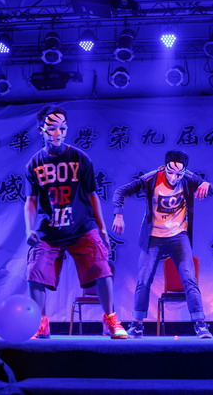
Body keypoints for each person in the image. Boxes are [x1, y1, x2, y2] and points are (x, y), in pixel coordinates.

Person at [24, 105, 127, 339]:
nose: (57, 133)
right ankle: (40, 323)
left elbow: (92, 195)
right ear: (41, 130)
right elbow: (31, 200)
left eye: (62, 128)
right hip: (49, 230)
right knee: (34, 271)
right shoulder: (34, 164)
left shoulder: (80, 158)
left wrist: (102, 228)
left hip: (81, 227)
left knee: (102, 268)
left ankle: (110, 319)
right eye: (52, 128)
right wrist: (29, 229)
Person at [112, 150, 213, 339]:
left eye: (179, 174)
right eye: (171, 172)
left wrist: (206, 184)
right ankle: (137, 325)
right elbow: (121, 191)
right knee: (144, 279)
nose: (174, 178)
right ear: (164, 167)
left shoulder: (189, 178)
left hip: (178, 236)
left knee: (189, 279)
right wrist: (118, 214)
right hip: (153, 237)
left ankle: (201, 325)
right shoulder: (151, 178)